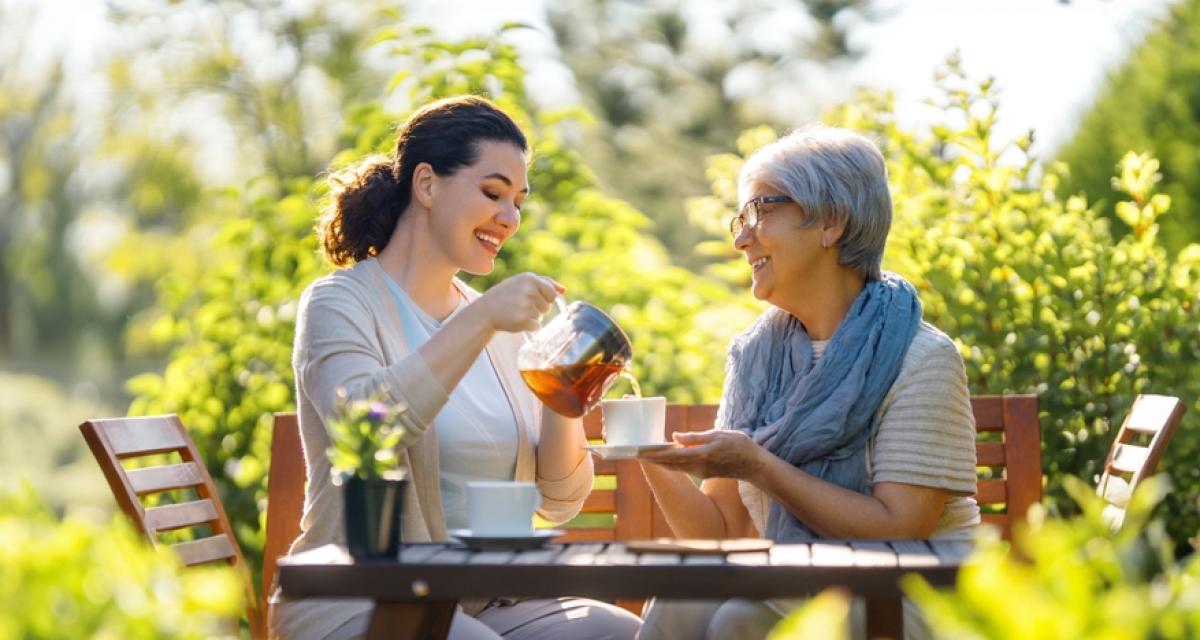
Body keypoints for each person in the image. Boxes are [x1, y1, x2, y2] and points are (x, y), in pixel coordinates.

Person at [273, 96, 641, 640]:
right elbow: (364, 423)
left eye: (518, 201)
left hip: (479, 604)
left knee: (623, 632)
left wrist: (565, 393)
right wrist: (483, 321)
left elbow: (560, 503)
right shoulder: (340, 303)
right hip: (358, 600)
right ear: (426, 185)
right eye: (492, 193)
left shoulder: (498, 323)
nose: (509, 218)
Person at [634, 125, 979, 640]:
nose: (740, 237)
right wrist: (643, 448)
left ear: (831, 222)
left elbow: (897, 530)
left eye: (761, 211)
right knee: (679, 599)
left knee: (741, 620)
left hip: (914, 592)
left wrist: (760, 466)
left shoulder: (922, 357)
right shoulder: (754, 356)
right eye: (740, 218)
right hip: (799, 579)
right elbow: (720, 531)